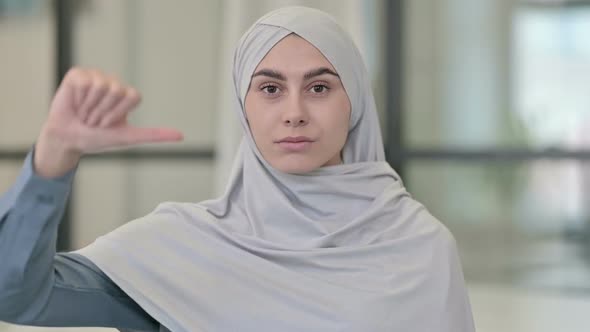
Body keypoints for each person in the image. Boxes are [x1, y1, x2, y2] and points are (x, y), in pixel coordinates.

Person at [0, 6, 475, 332]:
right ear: (242, 107)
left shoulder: (420, 249)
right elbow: (15, 296)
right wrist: (52, 160)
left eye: (319, 88)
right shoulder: (179, 249)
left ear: (354, 102)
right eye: (270, 89)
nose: (294, 112)